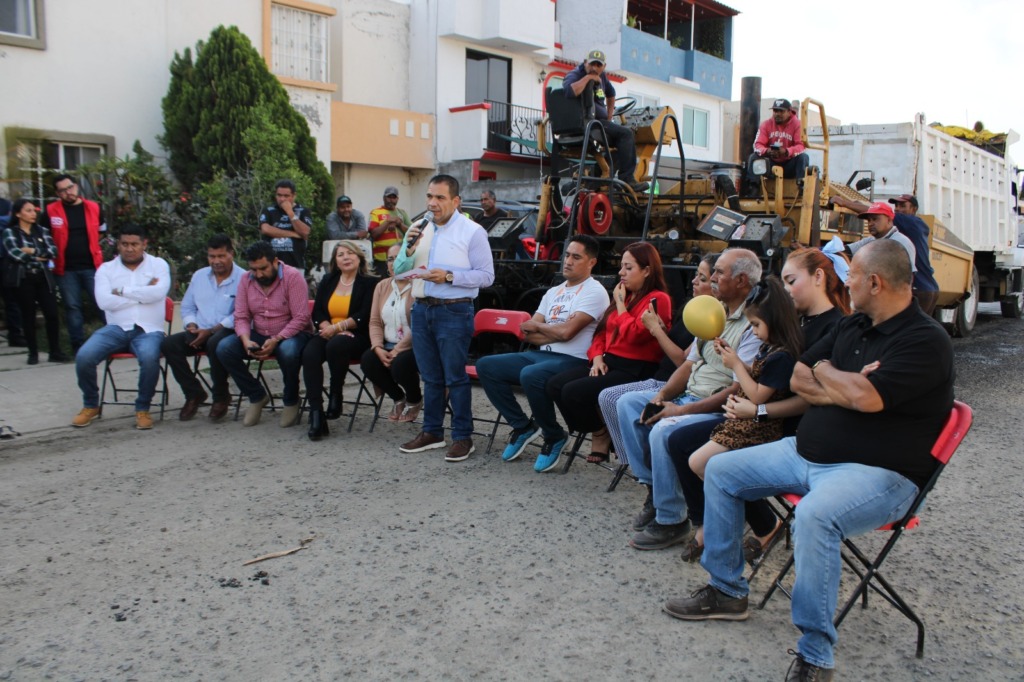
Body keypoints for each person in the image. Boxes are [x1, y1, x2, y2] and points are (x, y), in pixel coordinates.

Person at [662, 240, 955, 682]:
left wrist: (836, 380)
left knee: (814, 516)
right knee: (720, 469)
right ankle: (726, 591)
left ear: (874, 282)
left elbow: (866, 398)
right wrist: (841, 380)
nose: (845, 281)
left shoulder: (925, 340)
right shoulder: (854, 324)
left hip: (879, 474)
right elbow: (802, 374)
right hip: (805, 455)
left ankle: (816, 655)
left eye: (851, 275)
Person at [688, 243, 851, 564]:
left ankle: (728, 545)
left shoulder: (835, 327)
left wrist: (757, 409)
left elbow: (807, 396)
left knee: (702, 458)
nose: (786, 289)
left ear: (818, 278)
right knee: (683, 443)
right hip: (763, 421)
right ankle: (740, 533)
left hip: (790, 433)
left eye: (791, 281)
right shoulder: (796, 321)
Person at [618, 248, 761, 550]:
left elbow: (737, 390)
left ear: (742, 280)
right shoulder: (712, 310)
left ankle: (672, 520)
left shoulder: (753, 323)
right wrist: (660, 397)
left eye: (720, 272)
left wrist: (678, 410)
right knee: (628, 403)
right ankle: (655, 490)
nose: (714, 278)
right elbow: (688, 365)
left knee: (663, 429)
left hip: (719, 406)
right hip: (689, 394)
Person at [680, 276, 803, 560]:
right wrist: (735, 358)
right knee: (701, 464)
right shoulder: (771, 349)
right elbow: (760, 376)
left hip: (759, 428)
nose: (755, 332)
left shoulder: (783, 356)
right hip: (745, 422)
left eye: (757, 325)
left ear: (777, 321)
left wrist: (737, 365)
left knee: (702, 464)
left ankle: (742, 527)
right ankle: (759, 525)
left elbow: (759, 395)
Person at [476, 234, 609, 468]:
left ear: (591, 262)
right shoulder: (554, 291)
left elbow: (568, 333)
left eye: (576, 257)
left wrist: (541, 327)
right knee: (487, 365)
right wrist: (547, 330)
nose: (567, 261)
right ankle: (523, 426)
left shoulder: (594, 291)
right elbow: (527, 333)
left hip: (575, 359)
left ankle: (554, 435)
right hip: (542, 353)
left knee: (531, 374)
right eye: (567, 255)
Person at [543, 242, 671, 472]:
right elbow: (601, 332)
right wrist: (597, 357)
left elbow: (634, 336)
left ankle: (601, 434)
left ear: (647, 270)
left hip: (637, 367)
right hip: (609, 360)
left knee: (575, 392)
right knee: (554, 385)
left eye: (628, 268)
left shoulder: (657, 299)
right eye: (621, 267)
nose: (621, 273)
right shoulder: (626, 295)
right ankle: (601, 429)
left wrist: (621, 304)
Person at [393, 174, 495, 462]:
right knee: (430, 377)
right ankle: (432, 432)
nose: (432, 203)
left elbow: (487, 276)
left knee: (455, 377)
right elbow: (399, 271)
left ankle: (463, 437)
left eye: (439, 198)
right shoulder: (417, 227)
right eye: (429, 197)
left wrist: (449, 276)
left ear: (455, 201)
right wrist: (408, 248)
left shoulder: (472, 232)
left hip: (454, 309)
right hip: (422, 308)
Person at [598, 253, 715, 469]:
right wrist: (662, 330)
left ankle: (638, 463)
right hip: (660, 375)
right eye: (696, 275)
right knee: (600, 394)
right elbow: (603, 330)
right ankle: (638, 464)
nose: (694, 281)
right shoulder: (692, 306)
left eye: (703, 278)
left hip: (672, 381)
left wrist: (653, 329)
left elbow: (682, 360)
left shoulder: (710, 316)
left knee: (610, 396)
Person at [70, 224, 171, 431]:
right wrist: (141, 295)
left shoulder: (158, 265)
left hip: (149, 330)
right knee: (84, 356)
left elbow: (158, 293)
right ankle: (91, 405)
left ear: (144, 244)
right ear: (118, 245)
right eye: (124, 244)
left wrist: (121, 291)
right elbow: (104, 302)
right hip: (115, 328)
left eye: (134, 244)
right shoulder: (107, 269)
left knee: (150, 358)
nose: (129, 248)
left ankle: (142, 408)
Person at [218, 242, 312, 428]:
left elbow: (301, 317)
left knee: (288, 350)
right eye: (254, 269)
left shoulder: (292, 277)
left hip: (291, 334)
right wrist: (246, 340)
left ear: (275, 261)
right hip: (260, 332)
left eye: (263, 268)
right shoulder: (246, 280)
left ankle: (291, 399)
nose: (259, 274)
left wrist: (277, 339)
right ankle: (256, 395)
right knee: (224, 348)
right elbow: (241, 316)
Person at [160, 234, 244, 422]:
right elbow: (188, 307)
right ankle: (194, 393)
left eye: (221, 256)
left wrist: (213, 330)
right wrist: (191, 325)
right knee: (168, 344)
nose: (216, 261)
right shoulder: (199, 276)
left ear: (231, 253)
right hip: (199, 331)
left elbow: (242, 313)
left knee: (215, 343)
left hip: (226, 332)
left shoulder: (244, 278)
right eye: (212, 256)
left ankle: (221, 396)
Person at [302, 240, 376, 441]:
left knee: (337, 344)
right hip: (328, 331)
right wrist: (327, 327)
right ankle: (316, 413)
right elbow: (317, 310)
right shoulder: (328, 279)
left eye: (350, 253)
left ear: (359, 257)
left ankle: (336, 394)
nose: (346, 257)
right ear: (335, 260)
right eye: (340, 254)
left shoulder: (369, 282)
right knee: (309, 353)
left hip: (357, 335)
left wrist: (339, 328)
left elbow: (365, 313)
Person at [834, 193, 938, 314]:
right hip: (924, 287)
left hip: (918, 289)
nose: (898, 209)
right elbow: (847, 249)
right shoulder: (880, 238)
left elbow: (907, 277)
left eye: (903, 205)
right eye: (896, 206)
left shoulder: (909, 225)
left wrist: (844, 202)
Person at [561, 49, 647, 193]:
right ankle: (627, 180)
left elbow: (611, 94)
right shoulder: (576, 74)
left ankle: (598, 178)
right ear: (585, 63)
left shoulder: (603, 77)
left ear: (604, 67)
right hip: (588, 124)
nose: (594, 68)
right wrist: (588, 78)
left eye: (598, 65)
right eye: (592, 64)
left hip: (600, 123)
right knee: (626, 135)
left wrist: (609, 116)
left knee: (621, 145)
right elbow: (570, 92)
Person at [40, 173, 105, 354]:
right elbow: (44, 235)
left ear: (76, 186)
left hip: (92, 266)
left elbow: (101, 231)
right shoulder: (51, 211)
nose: (68, 192)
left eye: (70, 187)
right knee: (73, 307)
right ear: (58, 193)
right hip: (65, 269)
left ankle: (114, 341)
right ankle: (78, 347)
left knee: (102, 303)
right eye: (62, 190)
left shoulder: (94, 207)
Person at [360, 244, 422, 423]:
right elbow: (374, 322)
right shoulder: (382, 286)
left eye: (399, 258)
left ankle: (414, 399)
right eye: (390, 259)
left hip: (414, 345)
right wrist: (378, 347)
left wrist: (398, 349)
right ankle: (398, 398)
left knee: (400, 364)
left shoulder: (419, 285)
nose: (394, 263)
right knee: (369, 360)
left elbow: (419, 325)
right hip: (387, 344)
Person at [2, 199, 67, 364]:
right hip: (24, 278)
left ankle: (55, 351)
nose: (33, 213)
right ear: (18, 213)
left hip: (43, 276)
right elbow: (15, 254)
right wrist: (39, 255)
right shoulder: (10, 232)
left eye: (34, 210)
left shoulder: (42, 231)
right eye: (29, 210)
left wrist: (32, 251)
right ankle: (33, 352)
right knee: (28, 315)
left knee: (52, 314)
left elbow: (53, 251)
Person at [836, 199, 918, 275]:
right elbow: (845, 250)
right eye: (869, 220)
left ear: (889, 220)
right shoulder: (871, 241)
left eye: (875, 219)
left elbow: (908, 276)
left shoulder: (902, 242)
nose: (870, 223)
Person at [746, 99, 809, 191]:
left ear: (789, 111)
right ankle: (753, 189)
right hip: (771, 166)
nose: (777, 114)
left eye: (781, 111)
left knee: (803, 157)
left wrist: (787, 151)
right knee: (754, 157)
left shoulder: (798, 124)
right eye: (775, 111)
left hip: (789, 165)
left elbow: (801, 146)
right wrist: (767, 151)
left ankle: (802, 188)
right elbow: (757, 145)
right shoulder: (766, 124)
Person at [259, 179, 313, 272]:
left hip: (295, 265)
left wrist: (290, 212)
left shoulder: (303, 211)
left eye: (286, 196)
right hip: (271, 265)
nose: (282, 199)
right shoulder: (269, 210)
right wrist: (293, 234)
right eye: (279, 195)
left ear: (294, 196)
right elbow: (266, 229)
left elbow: (305, 232)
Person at [368, 186, 411, 278]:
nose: (391, 200)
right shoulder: (375, 212)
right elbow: (374, 234)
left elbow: (412, 232)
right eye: (389, 197)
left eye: (393, 197)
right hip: (382, 260)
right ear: (384, 198)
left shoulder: (402, 213)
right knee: (383, 286)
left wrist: (399, 224)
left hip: (400, 258)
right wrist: (388, 222)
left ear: (397, 199)